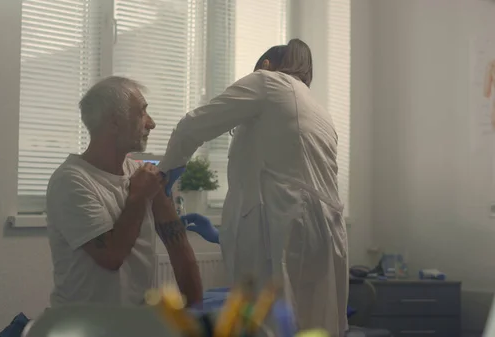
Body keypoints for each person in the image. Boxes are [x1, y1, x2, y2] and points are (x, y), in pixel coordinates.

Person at [159, 39, 349, 336]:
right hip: (322, 232)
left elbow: (193, 125)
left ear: (266, 65)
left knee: (269, 325)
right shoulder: (317, 109)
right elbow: (287, 174)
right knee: (311, 325)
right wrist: (222, 235)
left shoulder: (267, 81)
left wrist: (167, 171)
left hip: (285, 221)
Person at [46, 76, 203, 308]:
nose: (151, 123)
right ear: (114, 122)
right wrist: (138, 197)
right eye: (142, 112)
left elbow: (178, 246)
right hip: (84, 325)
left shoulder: (142, 174)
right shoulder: (70, 181)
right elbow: (111, 256)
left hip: (134, 324)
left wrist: (196, 314)